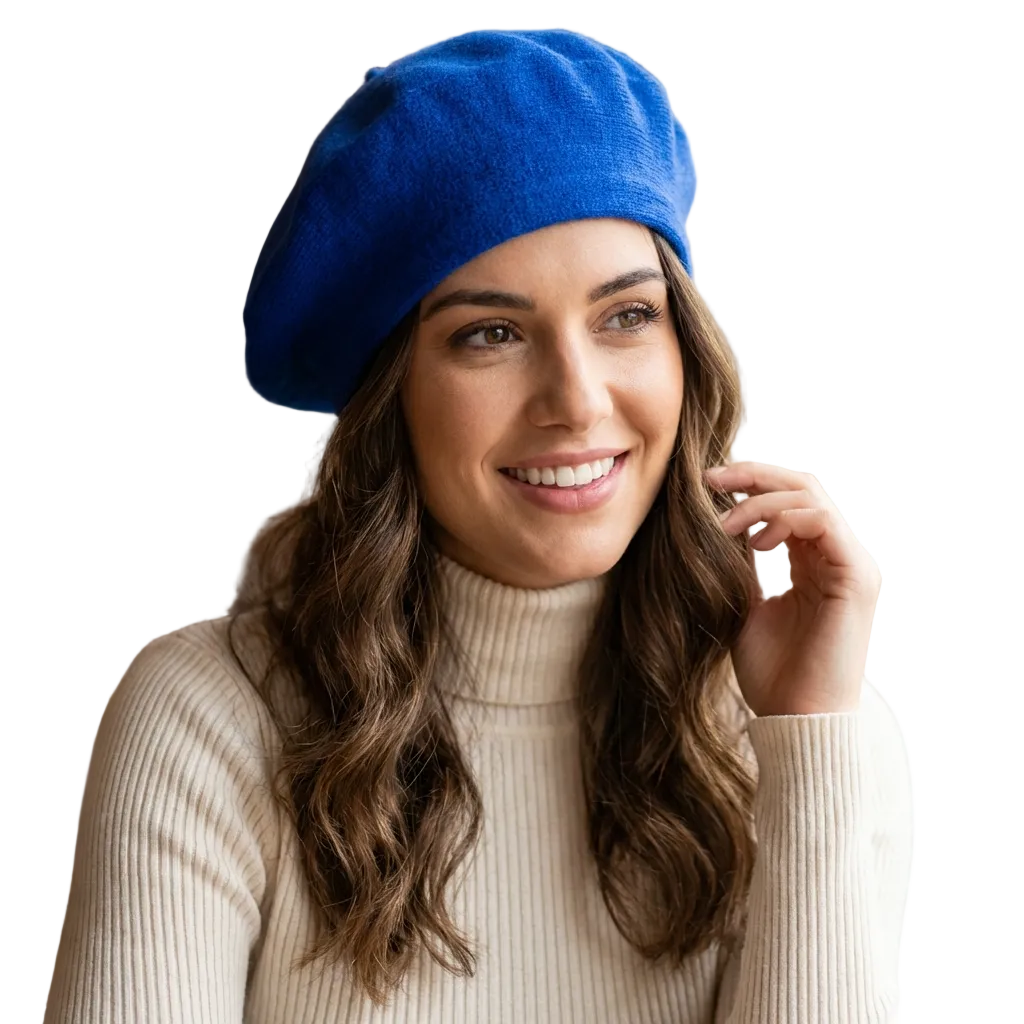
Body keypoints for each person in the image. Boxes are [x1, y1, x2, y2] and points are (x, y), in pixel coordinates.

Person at [43, 28, 913, 1024]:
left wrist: (805, 743)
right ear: (392, 395)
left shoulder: (813, 730)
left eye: (626, 315)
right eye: (489, 334)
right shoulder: (210, 721)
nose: (578, 400)